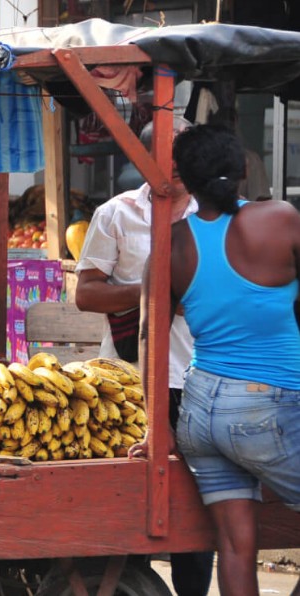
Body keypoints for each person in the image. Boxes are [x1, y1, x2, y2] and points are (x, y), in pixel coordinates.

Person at [135, 124, 300, 596]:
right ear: (245, 169)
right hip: (267, 405)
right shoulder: (283, 218)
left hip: (201, 410)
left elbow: (149, 334)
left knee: (234, 544)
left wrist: (156, 425)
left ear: (184, 178)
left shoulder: (171, 244)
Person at [76, 117, 215, 596]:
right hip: (132, 382)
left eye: (183, 160)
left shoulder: (214, 216)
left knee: (196, 513)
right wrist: (152, 291)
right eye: (165, 159)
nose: (174, 170)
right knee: (133, 503)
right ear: (143, 158)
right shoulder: (116, 214)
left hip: (201, 381)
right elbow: (87, 295)